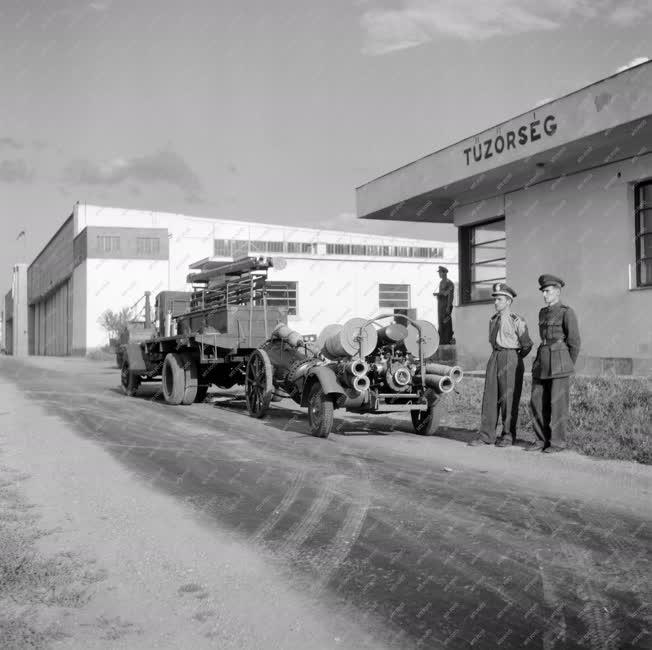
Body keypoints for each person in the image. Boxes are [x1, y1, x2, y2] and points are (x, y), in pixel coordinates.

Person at [468, 283, 533, 448]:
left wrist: (514, 358)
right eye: (495, 299)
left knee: (508, 398)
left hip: (510, 357)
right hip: (495, 356)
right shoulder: (493, 320)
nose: (496, 302)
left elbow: (527, 344)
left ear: (508, 301)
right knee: (489, 397)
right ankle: (486, 435)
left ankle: (508, 435)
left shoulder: (516, 320)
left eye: (499, 299)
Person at [525, 274, 581, 454]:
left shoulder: (566, 312)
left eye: (547, 291)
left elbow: (574, 342)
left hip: (560, 363)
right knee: (537, 402)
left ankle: (557, 442)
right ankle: (541, 439)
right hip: (542, 362)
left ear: (557, 291)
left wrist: (566, 364)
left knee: (558, 405)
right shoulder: (542, 312)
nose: (544, 295)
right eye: (543, 291)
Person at [433, 266, 455, 344]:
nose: (439, 274)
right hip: (440, 305)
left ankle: (447, 339)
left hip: (446, 305)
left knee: (446, 322)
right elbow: (442, 293)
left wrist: (448, 306)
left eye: (440, 272)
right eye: (439, 272)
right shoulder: (441, 282)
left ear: (444, 273)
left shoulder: (449, 283)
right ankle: (441, 339)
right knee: (441, 322)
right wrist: (438, 294)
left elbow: (449, 295)